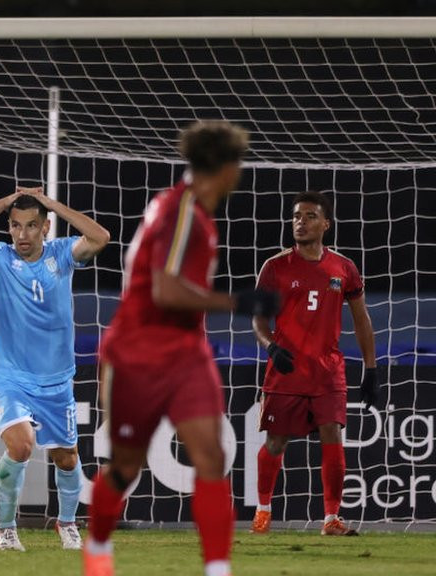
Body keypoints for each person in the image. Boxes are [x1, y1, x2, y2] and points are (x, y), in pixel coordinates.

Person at [84, 120, 278, 576]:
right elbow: (165, 291)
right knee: (125, 469)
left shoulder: (195, 213)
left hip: (186, 351)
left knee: (212, 456)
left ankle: (217, 569)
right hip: (137, 353)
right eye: (239, 165)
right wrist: (237, 301)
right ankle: (97, 547)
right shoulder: (181, 212)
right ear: (227, 168)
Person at [0, 186, 111, 552]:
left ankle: (67, 523)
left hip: (56, 379)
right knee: (21, 445)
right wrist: (5, 203)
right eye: (16, 226)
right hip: (8, 376)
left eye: (32, 226)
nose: (23, 235)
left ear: (45, 227)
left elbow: (101, 237)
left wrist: (51, 202)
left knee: (67, 457)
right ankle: (5, 528)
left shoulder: (62, 255)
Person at [250, 190, 378, 536]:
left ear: (326, 224)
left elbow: (362, 319)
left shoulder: (344, 268)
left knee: (332, 435)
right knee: (276, 442)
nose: (300, 223)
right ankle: (262, 513)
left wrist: (371, 368)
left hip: (328, 371)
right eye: (295, 216)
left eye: (308, 217)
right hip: (286, 370)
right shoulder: (274, 267)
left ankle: (331, 519)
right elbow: (259, 321)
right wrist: (271, 347)